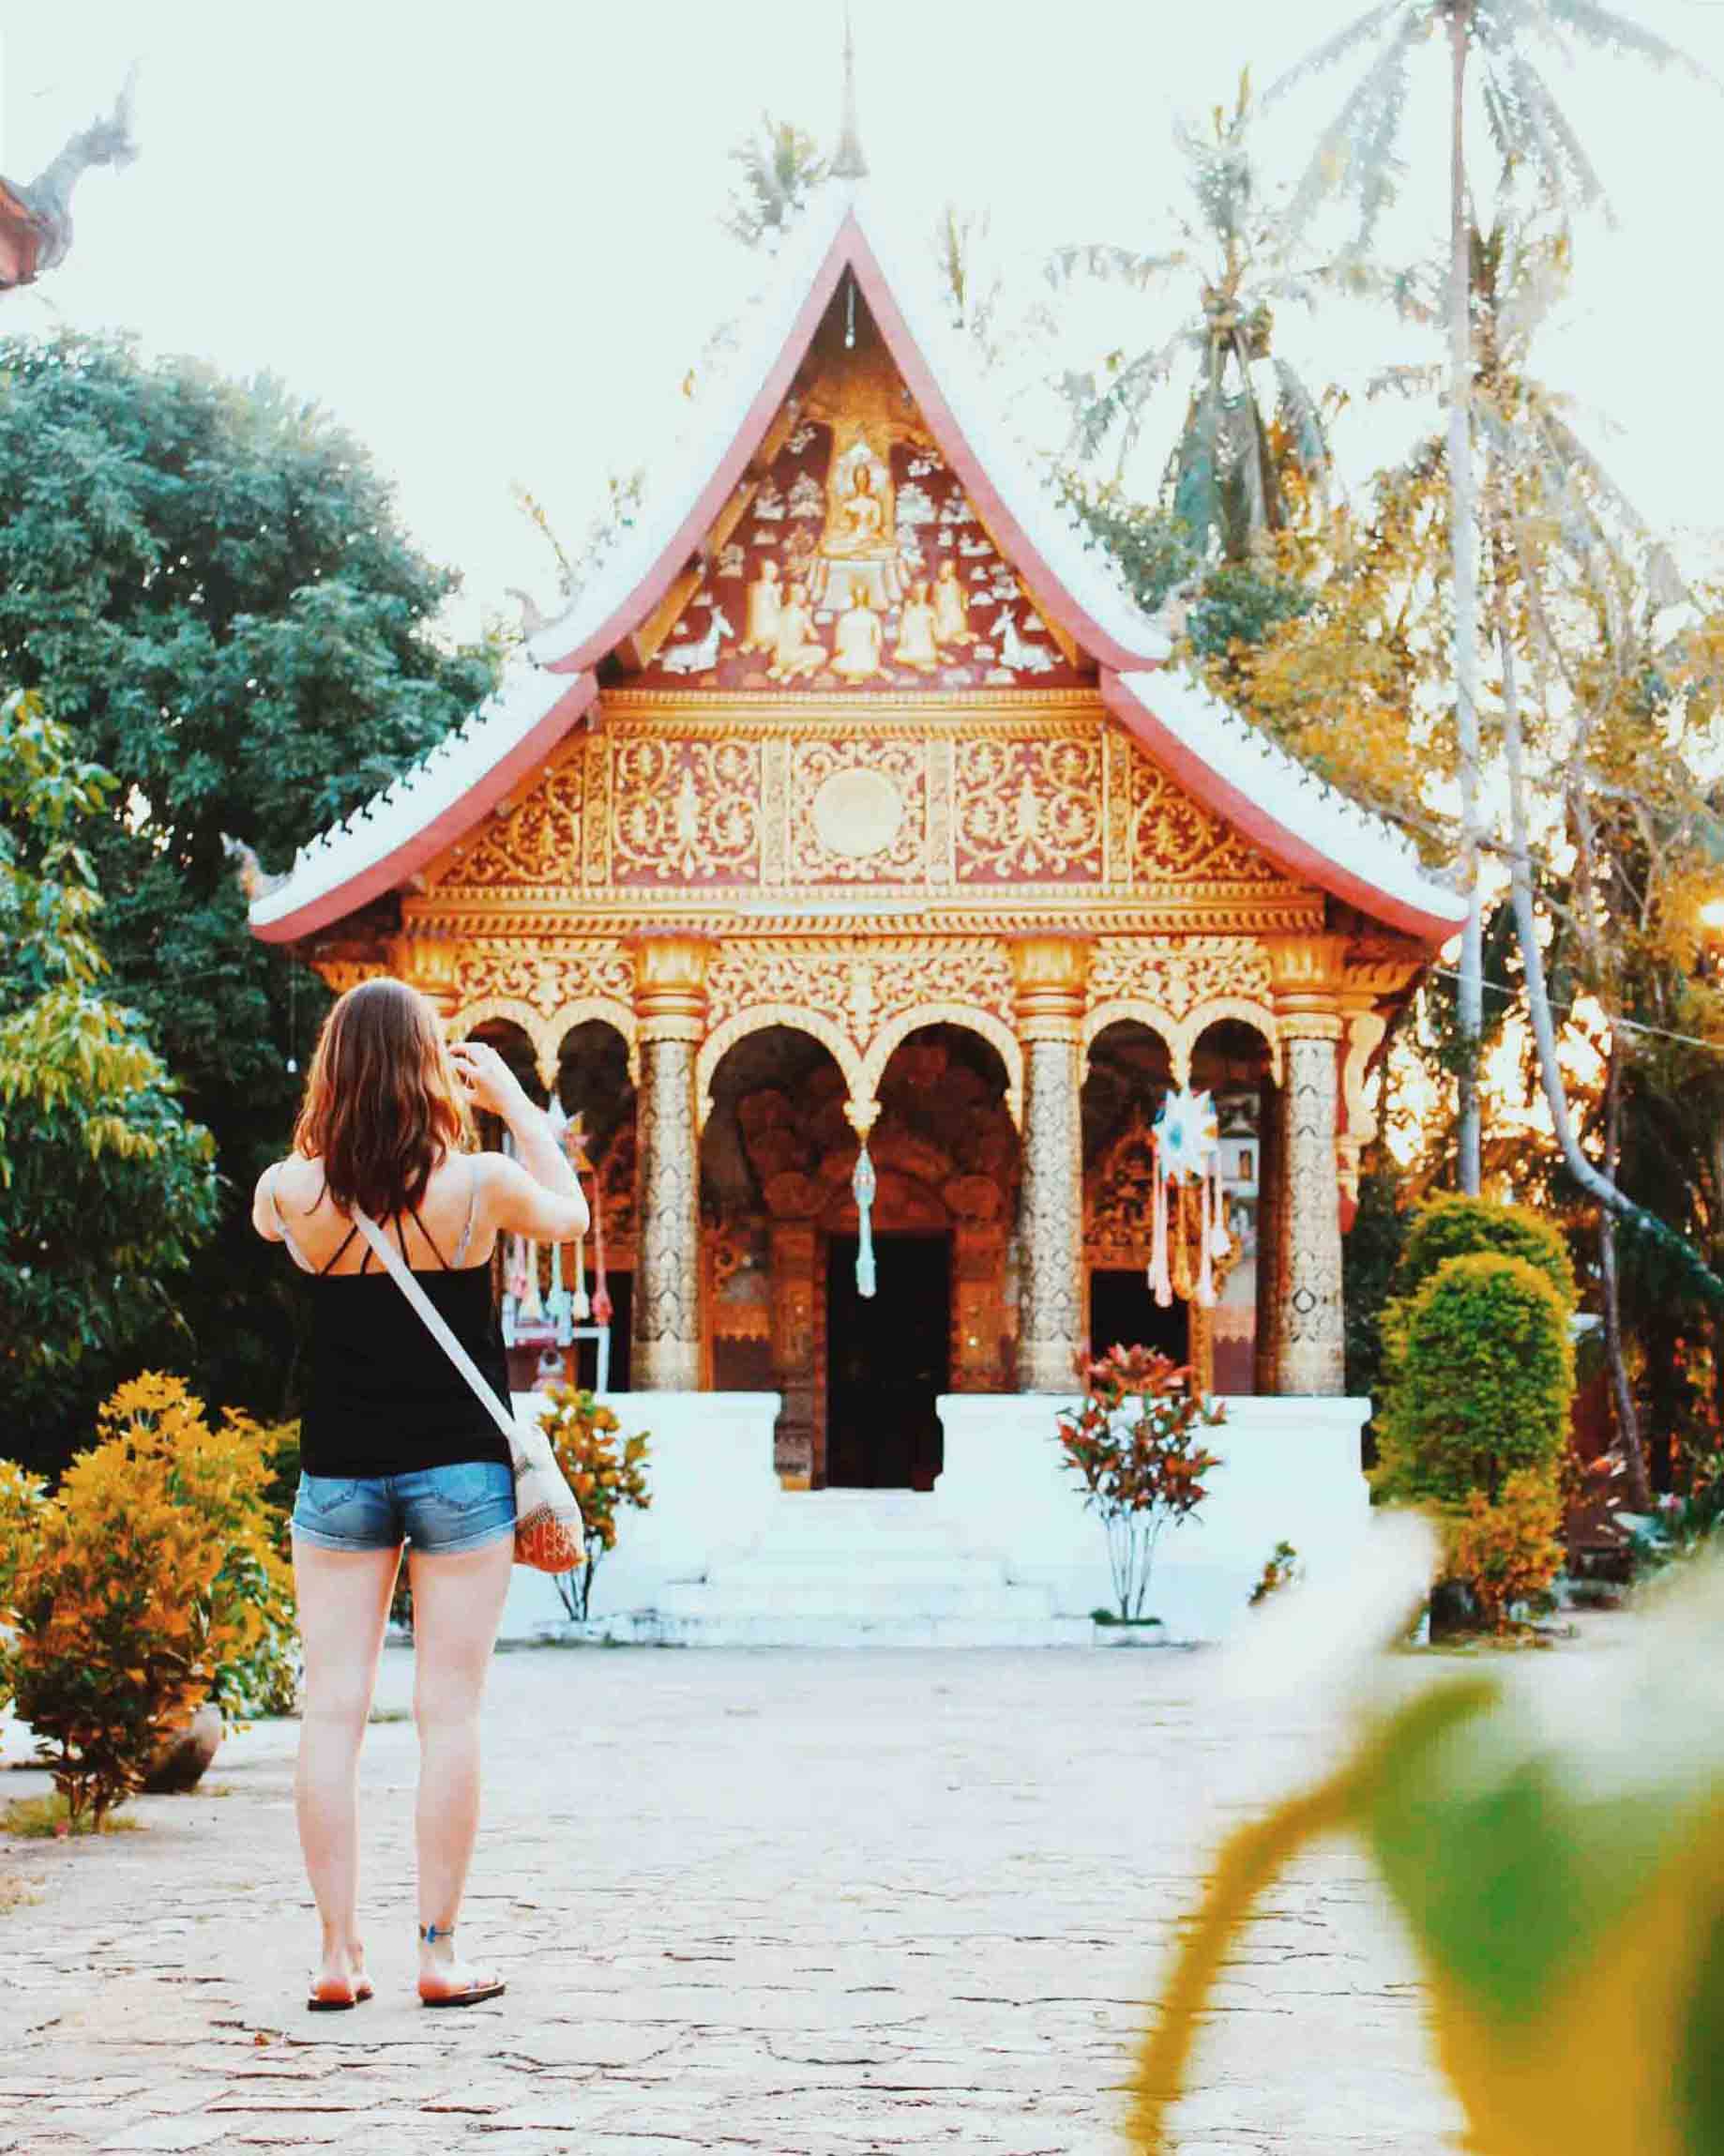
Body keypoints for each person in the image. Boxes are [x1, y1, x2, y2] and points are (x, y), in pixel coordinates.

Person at [252, 979, 587, 2012]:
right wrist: (520, 1108)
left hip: (341, 1470)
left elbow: (276, 1229)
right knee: (450, 1716)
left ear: (333, 1070)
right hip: (459, 1472)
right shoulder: (479, 1183)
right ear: (429, 1068)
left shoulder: (289, 1190)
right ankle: (437, 1955)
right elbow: (569, 1214)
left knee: (332, 1713)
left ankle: (336, 1955)